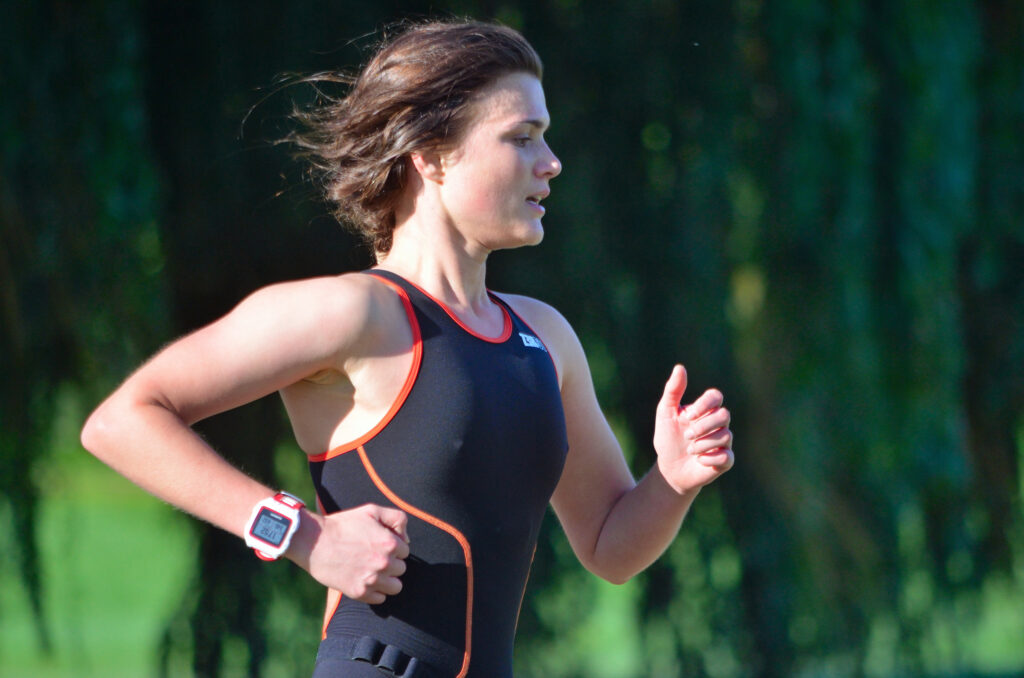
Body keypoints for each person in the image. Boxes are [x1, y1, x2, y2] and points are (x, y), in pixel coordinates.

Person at [81, 19, 734, 678]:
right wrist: (302, 534)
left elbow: (609, 547)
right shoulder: (353, 312)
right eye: (522, 138)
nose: (552, 162)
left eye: (546, 137)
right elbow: (122, 421)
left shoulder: (546, 336)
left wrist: (672, 481)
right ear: (430, 152)